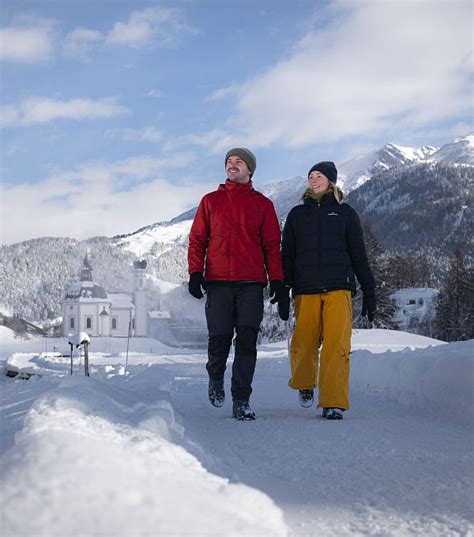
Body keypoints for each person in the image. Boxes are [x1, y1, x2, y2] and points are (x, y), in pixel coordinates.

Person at [188, 148, 289, 421]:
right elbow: (197, 239)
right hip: (218, 282)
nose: (232, 165)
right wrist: (195, 272)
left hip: (251, 284)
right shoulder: (210, 201)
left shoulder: (263, 205)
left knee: (246, 342)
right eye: (229, 161)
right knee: (219, 339)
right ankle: (216, 377)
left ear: (250, 170)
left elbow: (271, 246)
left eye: (238, 161)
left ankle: (241, 399)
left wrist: (278, 281)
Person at [281, 161, 376, 420]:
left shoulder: (346, 214)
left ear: (331, 181)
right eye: (310, 176)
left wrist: (369, 288)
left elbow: (359, 255)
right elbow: (287, 255)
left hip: (339, 287)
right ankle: (304, 382)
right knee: (304, 341)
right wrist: (283, 287)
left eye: (319, 175)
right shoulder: (297, 214)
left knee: (337, 345)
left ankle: (333, 401)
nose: (313, 179)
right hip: (306, 288)